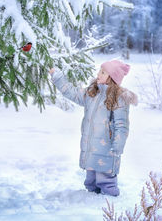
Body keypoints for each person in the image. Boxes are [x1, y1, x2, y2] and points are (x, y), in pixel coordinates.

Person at [49, 59, 138, 196]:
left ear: (112, 78)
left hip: (108, 149)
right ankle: (90, 199)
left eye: (103, 72)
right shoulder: (92, 93)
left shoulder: (119, 98)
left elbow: (121, 124)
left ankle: (110, 202)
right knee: (90, 180)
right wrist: (58, 77)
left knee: (106, 180)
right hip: (91, 147)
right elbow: (72, 93)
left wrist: (118, 145)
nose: (98, 74)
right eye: (99, 71)